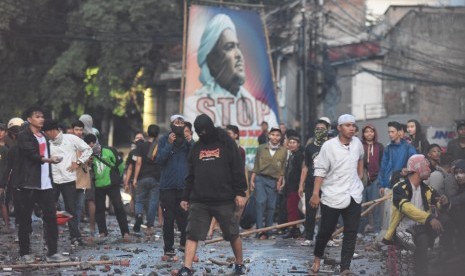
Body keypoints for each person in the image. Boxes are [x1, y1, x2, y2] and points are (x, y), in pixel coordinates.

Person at [177, 114, 247, 276]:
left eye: (204, 131)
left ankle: (239, 264)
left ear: (210, 128)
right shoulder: (196, 148)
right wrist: (185, 197)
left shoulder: (226, 143)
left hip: (224, 199)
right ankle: (186, 268)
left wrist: (240, 192)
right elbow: (191, 174)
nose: (202, 134)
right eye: (199, 132)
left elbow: (237, 168)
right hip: (199, 200)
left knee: (232, 233)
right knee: (192, 233)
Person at [184, 14, 278, 129]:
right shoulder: (193, 107)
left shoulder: (263, 113)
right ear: (213, 61)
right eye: (229, 47)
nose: (238, 55)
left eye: (238, 46)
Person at [309, 114, 364, 275]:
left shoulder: (357, 144)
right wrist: (315, 193)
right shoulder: (329, 146)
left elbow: (361, 158)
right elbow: (320, 170)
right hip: (332, 194)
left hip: (353, 193)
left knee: (351, 231)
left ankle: (345, 267)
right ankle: (317, 259)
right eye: (347, 125)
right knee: (326, 231)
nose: (352, 128)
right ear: (339, 128)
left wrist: (359, 176)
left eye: (353, 125)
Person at [16, 106, 69, 263]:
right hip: (29, 184)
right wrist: (48, 159)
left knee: (51, 218)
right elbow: (31, 154)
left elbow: (43, 155)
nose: (41, 119)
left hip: (45, 183)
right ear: (29, 119)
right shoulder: (23, 136)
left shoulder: (43, 136)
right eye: (37, 116)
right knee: (25, 220)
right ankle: (25, 253)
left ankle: (52, 253)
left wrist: (51, 159)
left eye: (42, 116)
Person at [382, 154, 444, 276]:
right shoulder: (399, 188)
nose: (430, 169)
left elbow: (438, 203)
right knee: (416, 243)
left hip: (420, 229)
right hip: (401, 229)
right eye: (427, 166)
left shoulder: (428, 189)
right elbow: (406, 208)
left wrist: (444, 202)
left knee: (423, 240)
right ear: (418, 168)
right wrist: (428, 218)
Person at [42, 119, 92, 246]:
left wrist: (79, 162)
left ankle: (75, 237)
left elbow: (88, 150)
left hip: (69, 180)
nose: (46, 134)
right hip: (52, 180)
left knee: (71, 209)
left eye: (46, 132)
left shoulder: (70, 138)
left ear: (52, 131)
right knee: (48, 209)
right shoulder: (47, 143)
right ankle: (48, 238)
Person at [156, 115, 193, 256]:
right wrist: (169, 144)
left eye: (182, 122)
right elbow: (159, 160)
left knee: (184, 218)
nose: (179, 124)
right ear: (171, 125)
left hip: (184, 187)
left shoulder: (188, 142)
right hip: (167, 187)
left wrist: (191, 142)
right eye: (177, 122)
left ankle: (184, 245)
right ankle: (169, 248)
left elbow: (195, 158)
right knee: (169, 219)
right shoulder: (164, 140)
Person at [83, 134, 130, 239]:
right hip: (98, 185)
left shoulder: (110, 150)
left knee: (118, 207)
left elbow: (120, 165)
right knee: (100, 209)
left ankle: (125, 232)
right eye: (88, 143)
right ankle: (102, 232)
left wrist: (118, 178)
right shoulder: (87, 155)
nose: (91, 145)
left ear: (96, 141)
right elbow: (86, 169)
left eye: (93, 142)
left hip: (112, 184)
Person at [250, 126, 287, 239]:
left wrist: (280, 182)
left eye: (277, 135)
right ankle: (260, 231)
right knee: (260, 203)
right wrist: (252, 180)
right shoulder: (261, 148)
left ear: (281, 137)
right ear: (269, 136)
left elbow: (282, 169)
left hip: (274, 181)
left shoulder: (283, 151)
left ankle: (268, 231)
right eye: (273, 135)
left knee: (271, 206)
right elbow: (256, 165)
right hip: (260, 179)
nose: (275, 137)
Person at [298, 118, 330, 246]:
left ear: (327, 130)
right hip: (311, 184)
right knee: (310, 212)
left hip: (328, 184)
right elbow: (305, 166)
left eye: (322, 129)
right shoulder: (310, 147)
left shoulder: (332, 145)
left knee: (328, 213)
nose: (319, 131)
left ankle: (328, 238)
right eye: (317, 129)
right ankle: (309, 237)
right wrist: (301, 184)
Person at [132, 125, 162, 234]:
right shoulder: (160, 146)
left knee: (139, 200)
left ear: (147, 133)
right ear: (158, 134)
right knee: (153, 202)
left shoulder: (141, 146)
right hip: (156, 178)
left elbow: (138, 163)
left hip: (142, 177)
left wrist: (135, 178)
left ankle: (139, 214)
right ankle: (149, 226)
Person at [360, 124, 384, 234]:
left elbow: (382, 164)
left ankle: (377, 230)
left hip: (376, 179)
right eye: (366, 132)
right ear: (363, 134)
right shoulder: (360, 145)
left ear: (374, 133)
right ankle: (361, 231)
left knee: (376, 206)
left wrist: (381, 180)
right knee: (361, 206)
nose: (369, 133)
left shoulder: (379, 146)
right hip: (362, 180)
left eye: (371, 131)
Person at [281, 132, 304, 239]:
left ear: (298, 144)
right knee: (291, 209)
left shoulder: (300, 156)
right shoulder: (292, 155)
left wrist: (300, 186)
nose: (291, 144)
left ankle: (294, 230)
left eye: (294, 142)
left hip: (296, 187)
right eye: (290, 142)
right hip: (289, 186)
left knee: (294, 209)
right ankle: (294, 229)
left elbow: (302, 172)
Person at [123, 132, 144, 216]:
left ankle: (139, 213)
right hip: (134, 179)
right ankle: (135, 213)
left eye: (140, 138)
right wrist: (126, 182)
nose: (138, 139)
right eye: (137, 138)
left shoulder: (147, 150)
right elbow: (130, 168)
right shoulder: (132, 153)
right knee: (134, 196)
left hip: (144, 177)